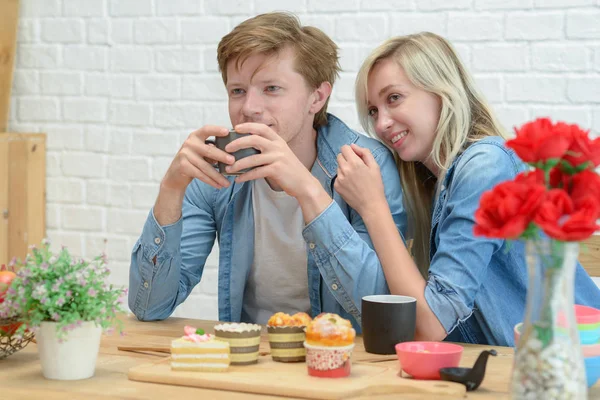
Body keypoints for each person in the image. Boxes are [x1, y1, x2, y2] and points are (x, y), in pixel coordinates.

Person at [127, 12, 407, 331]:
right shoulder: (216, 172)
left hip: (337, 362)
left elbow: (378, 314)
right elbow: (148, 307)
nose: (249, 107)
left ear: (317, 96)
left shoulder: (364, 163)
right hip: (253, 361)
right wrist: (171, 190)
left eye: (271, 88)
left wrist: (309, 191)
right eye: (238, 91)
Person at [333, 32, 600, 346]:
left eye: (393, 98)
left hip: (566, 370)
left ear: (441, 91)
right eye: (374, 111)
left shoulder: (485, 165)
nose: (381, 124)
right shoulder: (431, 185)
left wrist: (372, 205)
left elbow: (431, 324)